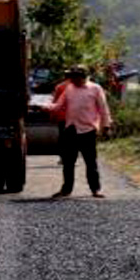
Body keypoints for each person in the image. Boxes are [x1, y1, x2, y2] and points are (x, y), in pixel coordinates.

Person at [47, 65, 112, 198]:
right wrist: (44, 106)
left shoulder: (95, 88)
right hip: (70, 129)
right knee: (68, 162)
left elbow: (103, 109)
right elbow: (59, 106)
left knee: (90, 162)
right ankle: (66, 190)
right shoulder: (69, 88)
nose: (72, 79)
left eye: (74, 77)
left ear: (82, 77)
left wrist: (106, 126)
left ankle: (96, 189)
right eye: (71, 77)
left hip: (88, 130)